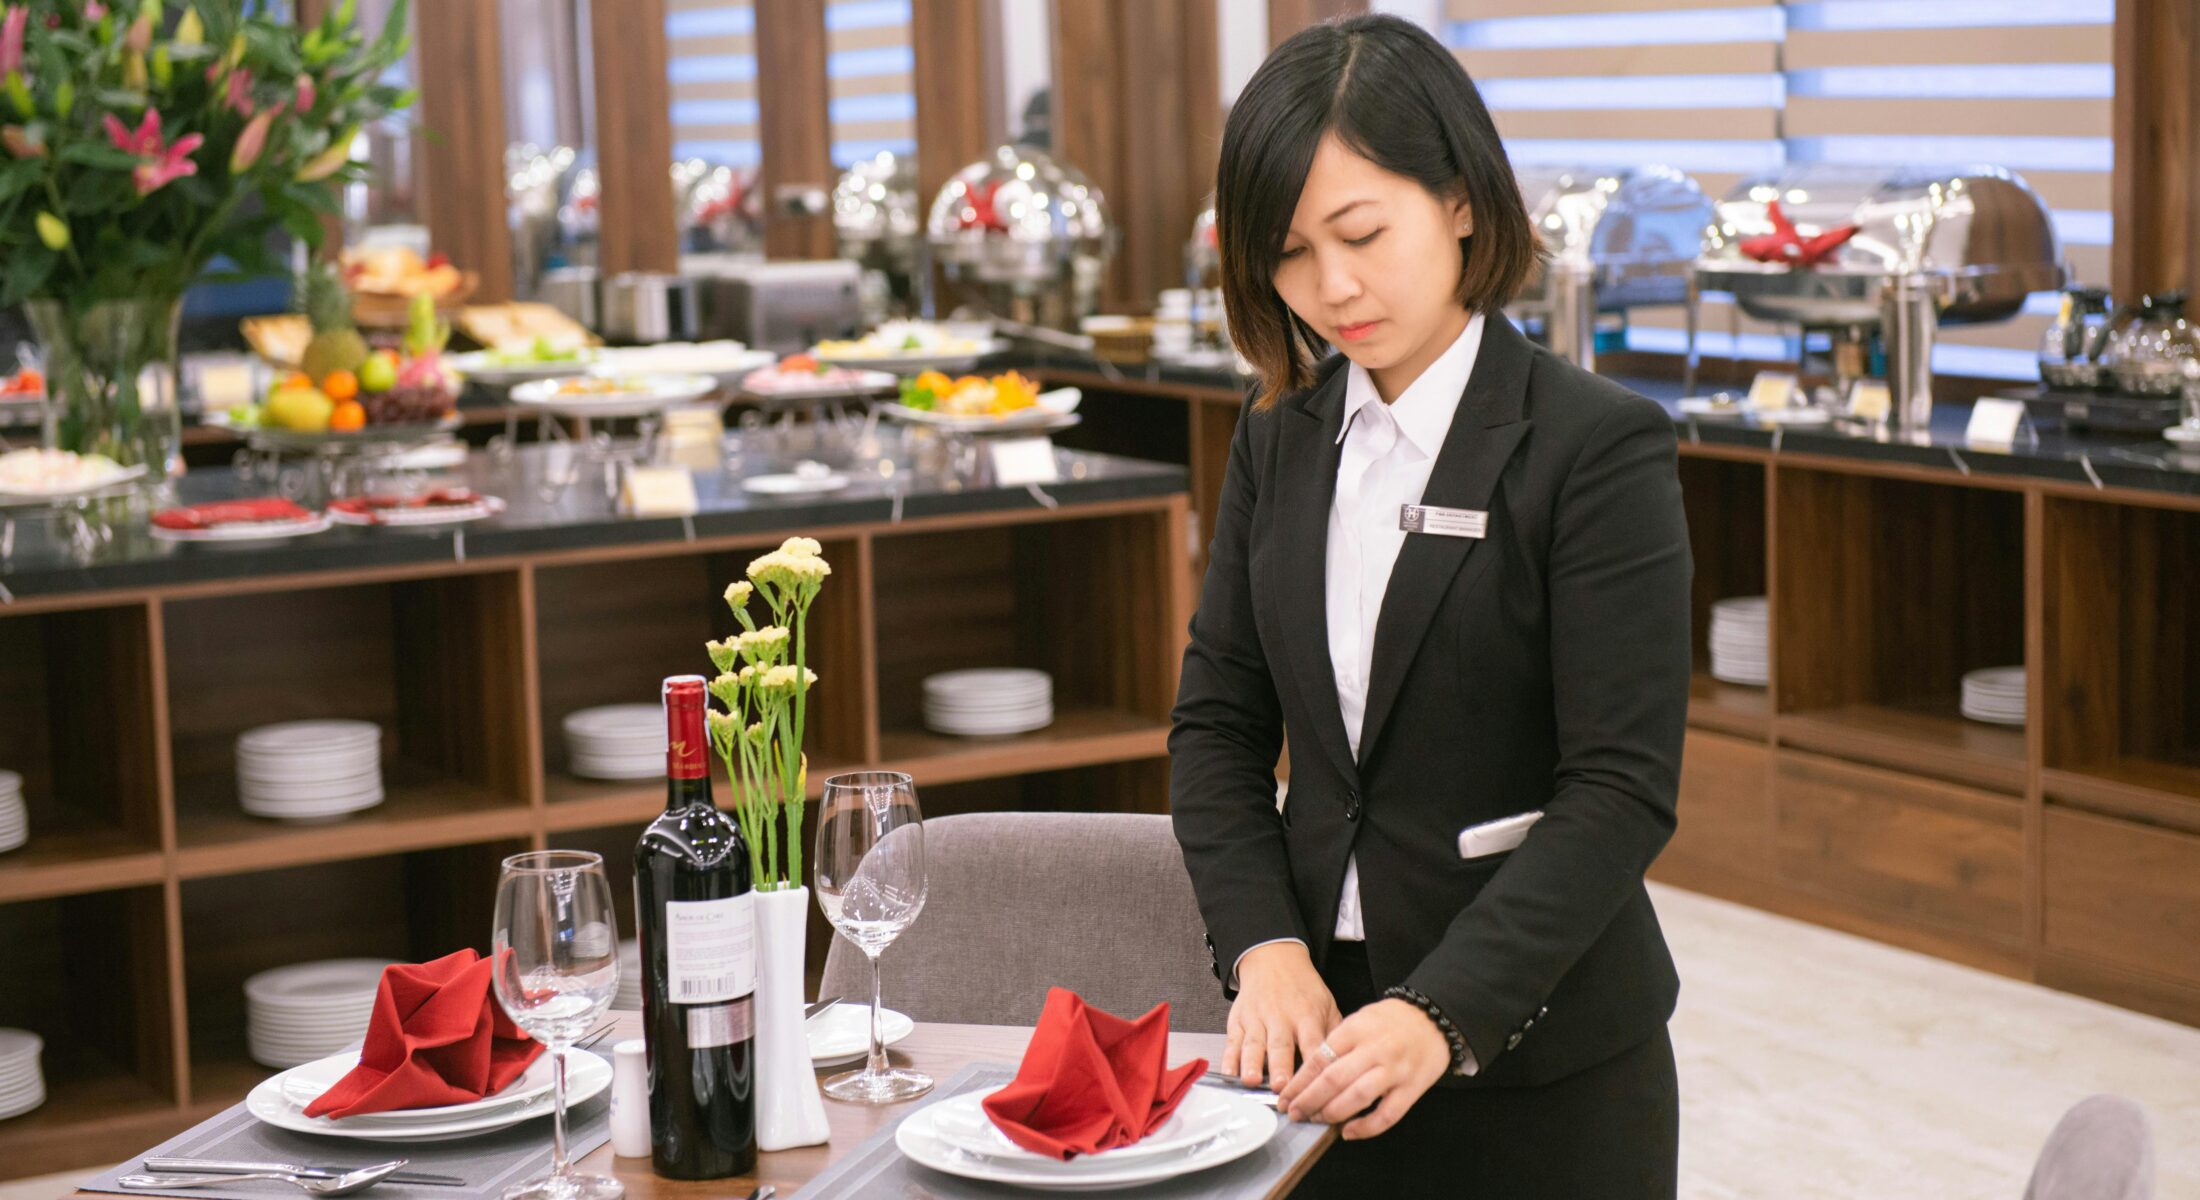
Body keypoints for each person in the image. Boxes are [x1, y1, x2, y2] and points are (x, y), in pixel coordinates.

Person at [1168, 14, 1692, 1197]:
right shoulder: (1277, 441)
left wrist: (1440, 1011)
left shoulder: (1594, 447)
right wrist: (1263, 948)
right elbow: (1218, 730)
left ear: (1460, 202)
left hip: (1538, 1060)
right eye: (1289, 254)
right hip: (1312, 1048)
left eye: (1362, 233)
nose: (1331, 288)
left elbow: (1619, 787)